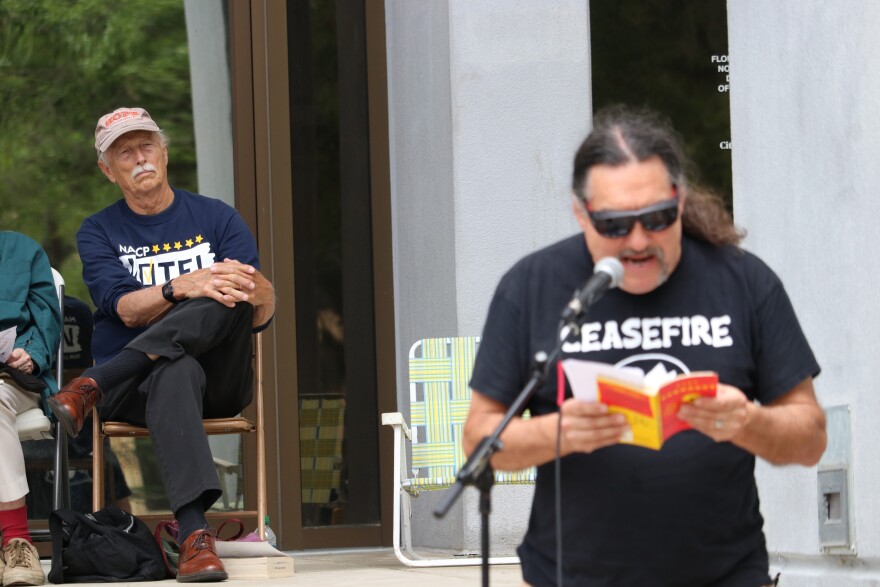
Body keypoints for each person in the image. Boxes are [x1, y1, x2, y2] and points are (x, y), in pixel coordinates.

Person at [463, 105, 826, 587]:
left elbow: (810, 438)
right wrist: (561, 432)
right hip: (574, 577)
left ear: (679, 202)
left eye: (656, 218)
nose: (637, 241)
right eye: (614, 224)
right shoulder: (533, 287)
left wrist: (749, 422)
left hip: (724, 576)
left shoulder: (743, 281)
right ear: (580, 214)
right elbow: (478, 441)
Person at [48, 107, 275, 583]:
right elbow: (124, 308)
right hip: (138, 393)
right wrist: (181, 285)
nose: (140, 158)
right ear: (108, 171)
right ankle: (196, 538)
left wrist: (254, 292)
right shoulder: (98, 230)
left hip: (219, 378)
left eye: (146, 145)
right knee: (175, 367)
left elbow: (257, 305)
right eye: (124, 152)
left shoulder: (217, 217)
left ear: (165, 153)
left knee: (231, 289)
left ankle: (93, 381)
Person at [0, 230, 61, 586]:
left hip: (12, 379)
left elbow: (47, 321)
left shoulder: (23, 251)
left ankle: (17, 541)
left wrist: (31, 353)